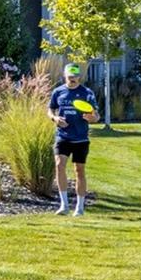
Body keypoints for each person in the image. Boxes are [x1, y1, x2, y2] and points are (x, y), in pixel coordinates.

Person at [49, 63, 100, 216]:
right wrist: (55, 118)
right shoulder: (58, 92)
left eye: (75, 77)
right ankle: (64, 205)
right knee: (59, 165)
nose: (73, 79)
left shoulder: (87, 93)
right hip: (63, 136)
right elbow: (50, 109)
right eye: (70, 76)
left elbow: (96, 115)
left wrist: (93, 118)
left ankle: (80, 207)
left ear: (79, 77)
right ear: (65, 76)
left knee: (79, 171)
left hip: (80, 138)